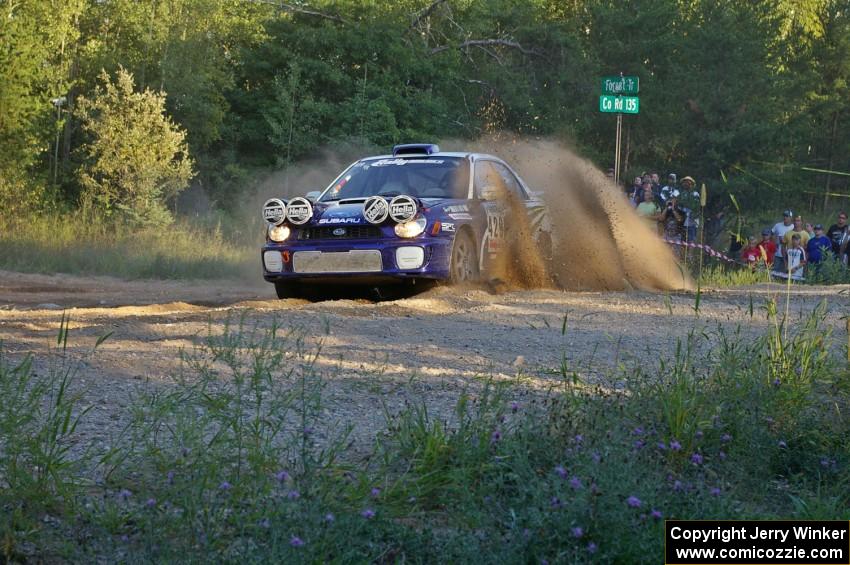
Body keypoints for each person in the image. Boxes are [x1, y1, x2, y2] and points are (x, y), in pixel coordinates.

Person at [678, 176, 700, 242]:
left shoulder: (695, 194)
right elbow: (679, 205)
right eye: (684, 182)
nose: (686, 183)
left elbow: (695, 207)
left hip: (692, 220)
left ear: (692, 184)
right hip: (683, 219)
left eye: (688, 182)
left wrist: (685, 204)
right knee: (682, 239)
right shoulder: (682, 194)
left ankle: (690, 252)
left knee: (691, 239)